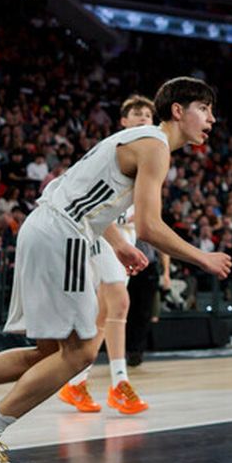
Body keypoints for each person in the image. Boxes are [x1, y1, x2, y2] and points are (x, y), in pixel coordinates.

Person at [0, 78, 232, 463]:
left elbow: (66, 188)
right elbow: (150, 226)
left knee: (48, 355)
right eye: (204, 109)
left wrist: (118, 244)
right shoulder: (156, 146)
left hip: (47, 228)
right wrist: (202, 258)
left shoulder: (132, 138)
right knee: (83, 351)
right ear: (178, 110)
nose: (211, 119)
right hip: (64, 236)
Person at [58, 95, 158, 415]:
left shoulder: (149, 156)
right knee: (116, 305)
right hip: (97, 232)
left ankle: (77, 382)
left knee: (107, 314)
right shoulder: (116, 149)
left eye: (148, 115)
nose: (144, 118)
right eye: (137, 114)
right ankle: (118, 383)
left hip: (118, 235)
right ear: (123, 121)